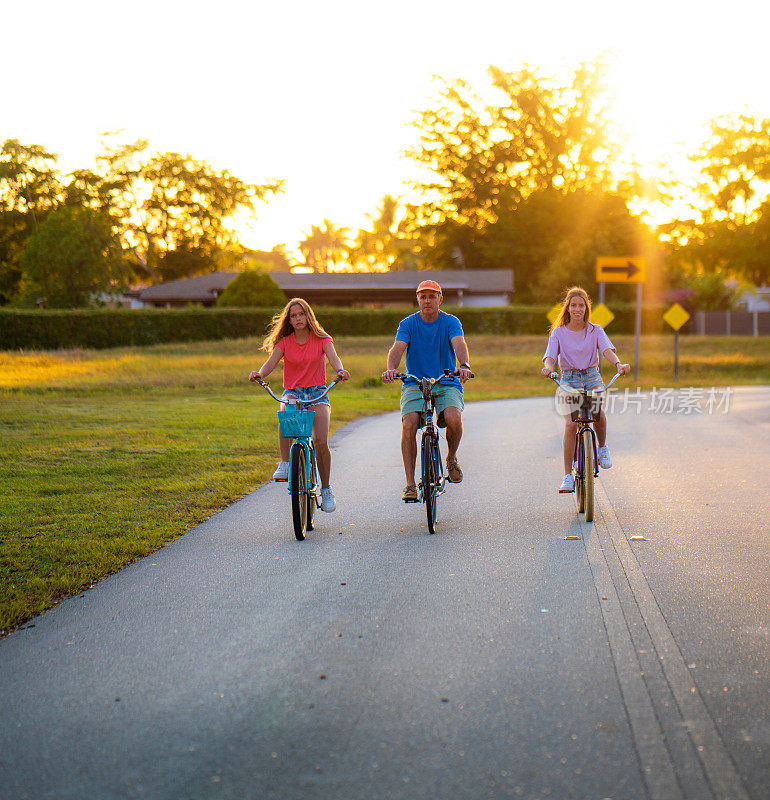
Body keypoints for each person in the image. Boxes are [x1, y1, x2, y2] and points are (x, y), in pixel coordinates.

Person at [249, 297, 350, 512]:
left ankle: (326, 489)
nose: (298, 318)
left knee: (321, 440)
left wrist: (340, 371)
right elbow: (269, 364)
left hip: (317, 392)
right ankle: (285, 463)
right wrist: (259, 374)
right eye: (293, 315)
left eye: (301, 314)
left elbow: (334, 359)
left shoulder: (323, 339)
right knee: (284, 411)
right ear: (289, 319)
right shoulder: (284, 342)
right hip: (293, 392)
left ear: (308, 316)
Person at [382, 279, 473, 502]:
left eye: (432, 296)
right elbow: (397, 349)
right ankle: (410, 484)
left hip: (446, 380)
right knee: (409, 423)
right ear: (417, 300)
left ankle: (451, 458)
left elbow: (459, 343)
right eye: (423, 296)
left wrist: (464, 365)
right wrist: (391, 369)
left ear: (440, 299)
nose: (427, 300)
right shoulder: (408, 324)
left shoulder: (451, 321)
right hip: (415, 382)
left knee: (453, 417)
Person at [540, 286, 631, 493]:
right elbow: (550, 356)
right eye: (574, 305)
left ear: (586, 308)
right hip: (569, 379)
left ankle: (602, 448)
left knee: (597, 409)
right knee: (571, 424)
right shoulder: (558, 333)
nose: (578, 309)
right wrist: (548, 368)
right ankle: (567, 476)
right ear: (568, 308)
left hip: (591, 375)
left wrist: (618, 364)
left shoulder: (595, 330)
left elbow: (607, 350)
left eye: (581, 305)